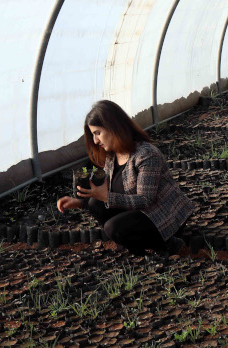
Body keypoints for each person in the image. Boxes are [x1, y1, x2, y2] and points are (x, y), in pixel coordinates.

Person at [56, 100, 195, 255]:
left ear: (114, 127)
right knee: (95, 204)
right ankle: (138, 247)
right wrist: (80, 203)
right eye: (93, 135)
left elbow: (145, 200)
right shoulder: (112, 155)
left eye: (98, 133)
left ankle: (167, 243)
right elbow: (110, 192)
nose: (95, 141)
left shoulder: (146, 155)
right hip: (139, 212)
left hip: (162, 214)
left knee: (113, 228)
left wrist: (106, 197)